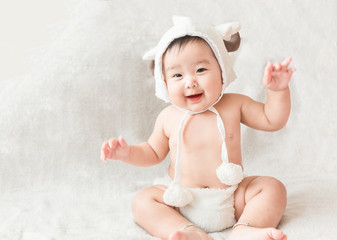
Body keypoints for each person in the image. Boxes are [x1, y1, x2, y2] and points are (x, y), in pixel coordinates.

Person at [100, 16, 295, 240]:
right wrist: (127, 153)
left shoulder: (234, 104)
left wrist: (278, 91)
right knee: (142, 201)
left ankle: (245, 228)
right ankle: (190, 232)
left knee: (272, 188)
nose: (190, 82)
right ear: (164, 82)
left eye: (201, 70)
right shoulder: (168, 117)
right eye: (177, 75)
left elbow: (272, 119)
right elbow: (152, 153)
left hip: (232, 197)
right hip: (181, 200)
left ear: (221, 68)